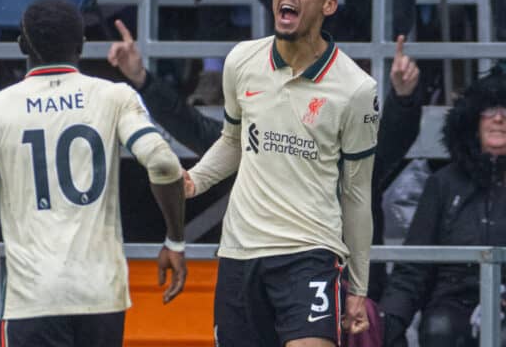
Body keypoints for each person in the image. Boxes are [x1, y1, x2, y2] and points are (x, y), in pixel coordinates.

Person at [0, 0, 187, 347]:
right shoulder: (114, 96)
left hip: (34, 300)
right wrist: (175, 239)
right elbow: (164, 164)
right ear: (82, 44)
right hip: (100, 296)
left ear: (22, 45)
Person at [109, 25, 422, 307]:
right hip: (270, 285)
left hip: (340, 292)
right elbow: (194, 126)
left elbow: (391, 143)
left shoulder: (352, 152)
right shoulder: (260, 140)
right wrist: (143, 80)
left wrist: (404, 98)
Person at [190, 0, 376, 346]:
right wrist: (194, 181)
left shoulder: (357, 89)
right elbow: (232, 140)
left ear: (328, 6)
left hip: (310, 252)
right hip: (240, 252)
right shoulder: (241, 60)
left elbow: (357, 194)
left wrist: (358, 286)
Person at [380, 67, 506, 347]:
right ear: (473, 120)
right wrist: (389, 320)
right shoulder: (444, 184)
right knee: (441, 328)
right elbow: (413, 267)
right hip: (450, 306)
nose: (499, 118)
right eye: (490, 109)